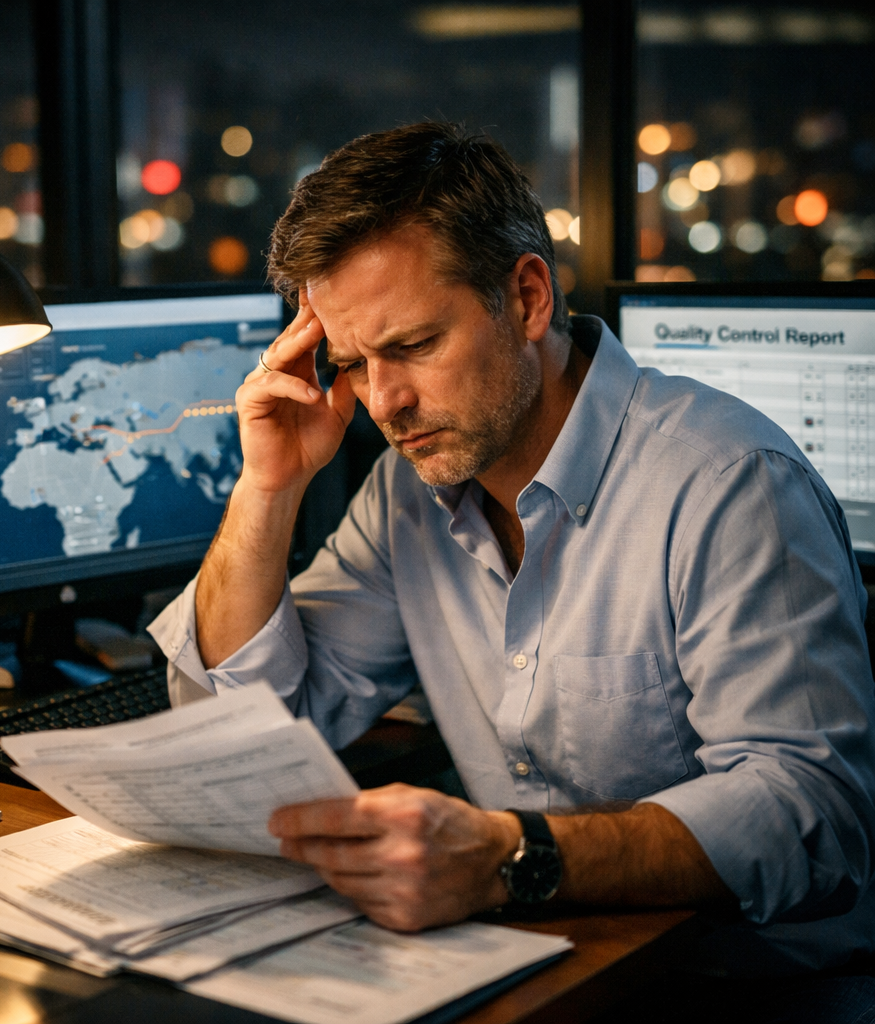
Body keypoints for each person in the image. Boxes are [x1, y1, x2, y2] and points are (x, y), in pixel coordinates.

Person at [148, 123, 875, 1017]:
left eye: (412, 345)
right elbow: (239, 737)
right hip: (540, 968)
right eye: (351, 364)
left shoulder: (729, 484)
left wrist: (507, 856)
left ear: (528, 298)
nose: (384, 403)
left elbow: (814, 819)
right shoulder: (404, 494)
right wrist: (269, 489)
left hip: (748, 990)